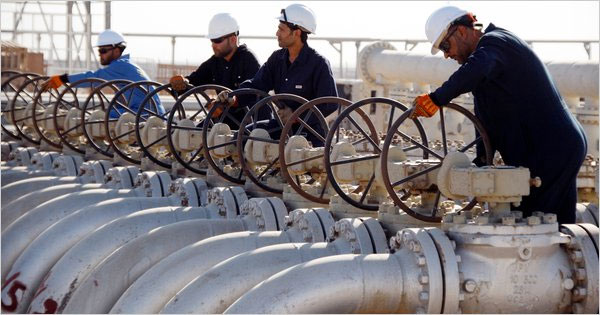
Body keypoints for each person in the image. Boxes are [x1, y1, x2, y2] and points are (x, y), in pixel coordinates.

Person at [411, 6, 587, 224]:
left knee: (532, 226)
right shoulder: (486, 65)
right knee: (556, 226)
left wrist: (436, 99)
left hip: (551, 150)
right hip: (552, 149)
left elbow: (477, 68)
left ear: (462, 32)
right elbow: (483, 119)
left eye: (445, 46)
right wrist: (481, 162)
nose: (447, 55)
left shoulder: (497, 42)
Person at [217, 3, 338, 145]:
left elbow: (330, 103)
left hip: (310, 134)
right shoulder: (277, 59)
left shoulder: (318, 63)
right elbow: (257, 84)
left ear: (297, 32)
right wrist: (234, 97)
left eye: (281, 29)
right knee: (241, 138)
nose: (277, 33)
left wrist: (296, 115)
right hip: (281, 127)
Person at [41, 29, 163, 115]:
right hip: (148, 113)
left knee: (96, 119)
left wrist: (63, 79)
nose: (100, 55)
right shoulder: (125, 65)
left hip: (144, 115)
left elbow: (93, 78)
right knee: (103, 115)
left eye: (104, 51)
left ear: (116, 50)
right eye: (99, 51)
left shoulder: (120, 66)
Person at [169, 13, 260, 93]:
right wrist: (183, 83)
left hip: (252, 113)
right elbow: (196, 80)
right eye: (212, 40)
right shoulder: (215, 62)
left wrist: (222, 107)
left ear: (233, 39)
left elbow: (252, 97)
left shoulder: (249, 61)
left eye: (217, 40)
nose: (213, 45)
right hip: (227, 113)